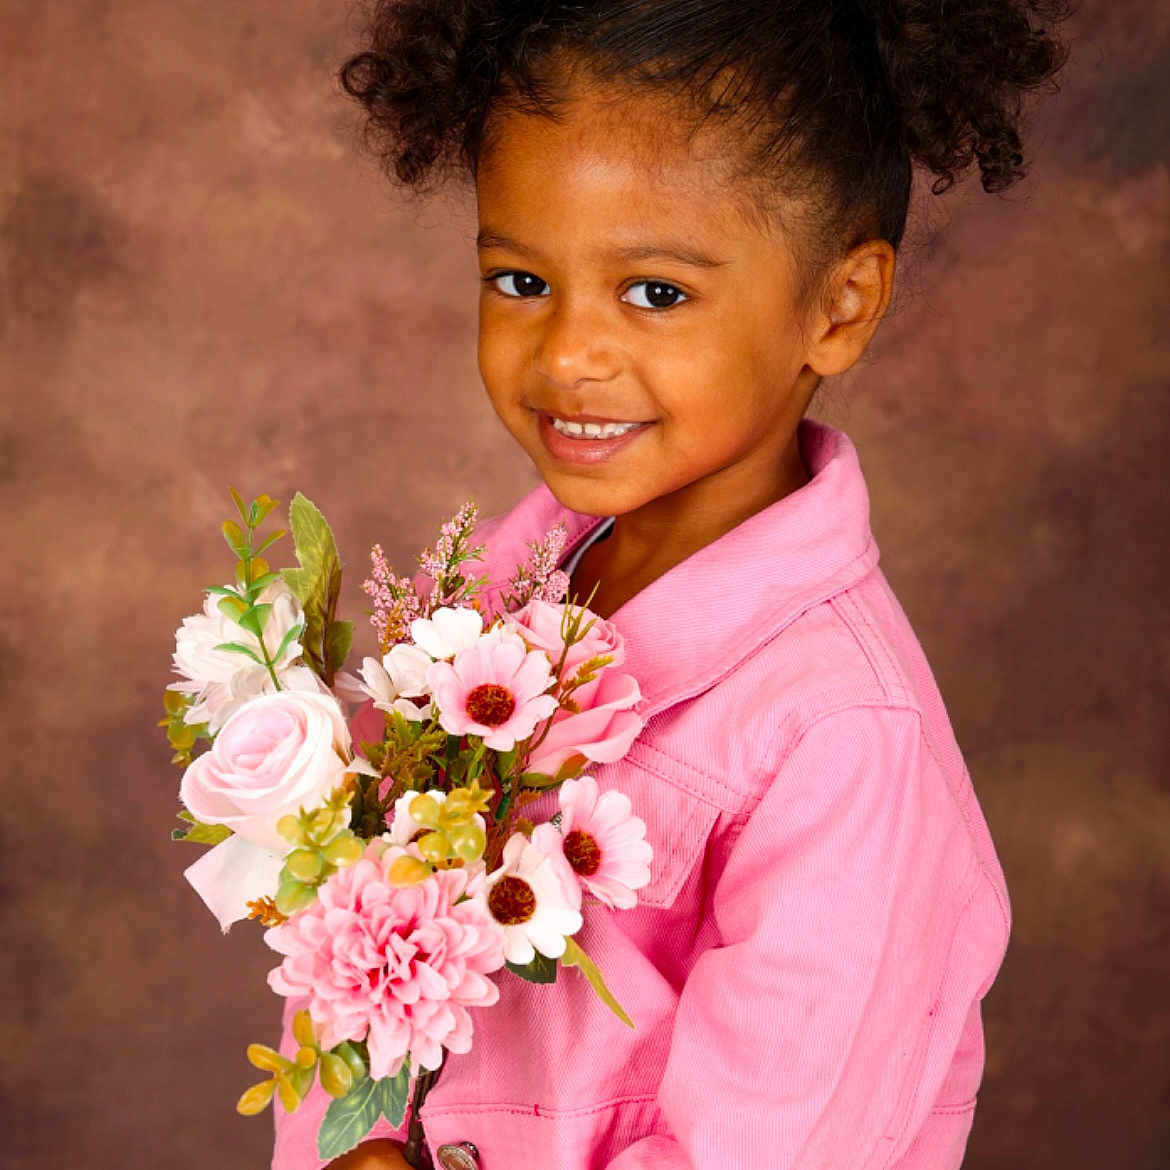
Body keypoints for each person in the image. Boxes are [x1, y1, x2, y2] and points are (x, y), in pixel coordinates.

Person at [271, 2, 1075, 1167]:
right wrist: (351, 1142)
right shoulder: (491, 601)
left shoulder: (840, 741)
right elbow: (361, 956)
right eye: (519, 280)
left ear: (838, 306)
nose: (564, 355)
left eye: (654, 292)